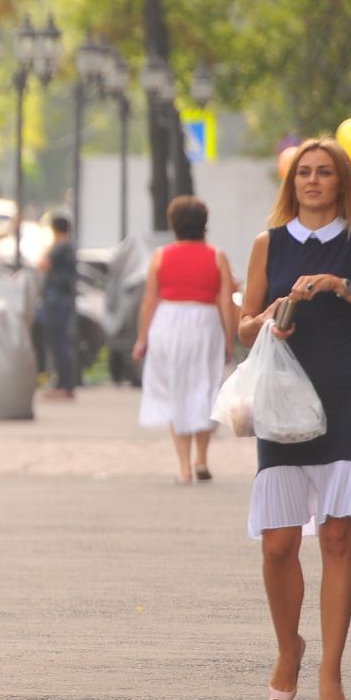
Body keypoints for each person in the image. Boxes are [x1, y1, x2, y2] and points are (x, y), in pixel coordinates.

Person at [236, 138, 351, 700]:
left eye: (324, 173)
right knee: (278, 544)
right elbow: (241, 324)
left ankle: (331, 670)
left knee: (337, 538)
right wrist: (265, 320)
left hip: (344, 395)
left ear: (342, 182)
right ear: (292, 183)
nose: (311, 181)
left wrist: (341, 287)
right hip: (281, 399)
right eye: (303, 173)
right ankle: (291, 648)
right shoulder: (268, 243)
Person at [132, 196, 238, 484]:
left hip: (167, 324)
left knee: (176, 391)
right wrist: (229, 340)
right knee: (204, 388)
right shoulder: (218, 256)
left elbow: (149, 301)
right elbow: (226, 303)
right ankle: (202, 458)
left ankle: (183, 467)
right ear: (204, 224)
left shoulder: (160, 256)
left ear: (173, 225)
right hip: (204, 324)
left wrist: (142, 339)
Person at [38, 213, 80, 398]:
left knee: (57, 342)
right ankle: (66, 384)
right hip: (65, 300)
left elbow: (43, 264)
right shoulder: (70, 247)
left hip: (56, 301)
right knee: (62, 341)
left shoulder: (60, 247)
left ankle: (63, 385)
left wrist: (47, 250)